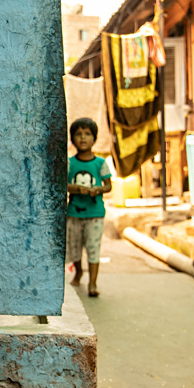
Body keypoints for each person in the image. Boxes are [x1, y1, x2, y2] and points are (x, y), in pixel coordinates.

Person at [67, 117, 112, 297]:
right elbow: (62, 185)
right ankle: (78, 271)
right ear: (72, 139)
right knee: (75, 247)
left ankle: (93, 283)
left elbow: (109, 186)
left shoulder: (100, 163)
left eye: (87, 134)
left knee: (93, 248)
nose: (83, 138)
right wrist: (77, 188)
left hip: (95, 214)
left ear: (95, 138)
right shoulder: (69, 163)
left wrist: (99, 189)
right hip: (74, 214)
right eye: (78, 134)